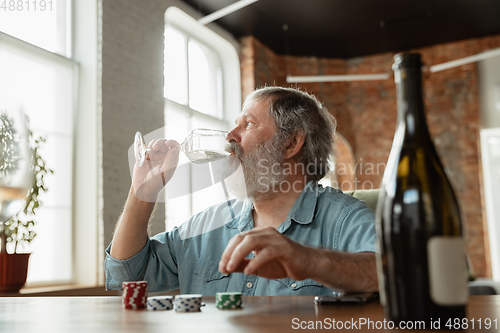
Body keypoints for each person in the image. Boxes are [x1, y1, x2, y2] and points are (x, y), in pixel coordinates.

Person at [105, 86, 378, 296]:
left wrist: (305, 259)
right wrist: (141, 193)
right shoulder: (205, 225)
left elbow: (391, 274)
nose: (229, 136)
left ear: (291, 143)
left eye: (247, 124)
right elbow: (127, 276)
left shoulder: (345, 218)